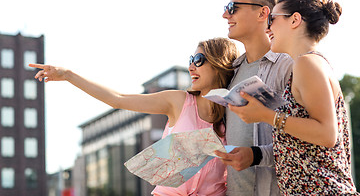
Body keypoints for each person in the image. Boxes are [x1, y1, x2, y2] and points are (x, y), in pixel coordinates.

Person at [30, 37, 239, 196]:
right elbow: (118, 99)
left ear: (219, 63)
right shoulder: (178, 101)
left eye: (199, 60)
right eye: (191, 59)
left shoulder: (235, 112)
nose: (191, 66)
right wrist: (67, 75)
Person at [229, 0, 358, 194]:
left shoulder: (307, 63)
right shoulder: (309, 63)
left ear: (295, 20)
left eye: (272, 19)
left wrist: (265, 116)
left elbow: (326, 134)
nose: (267, 27)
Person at [214, 0, 293, 196]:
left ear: (262, 13)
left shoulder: (288, 66)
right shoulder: (233, 71)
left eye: (233, 8)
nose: (225, 15)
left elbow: (307, 139)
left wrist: (256, 155)